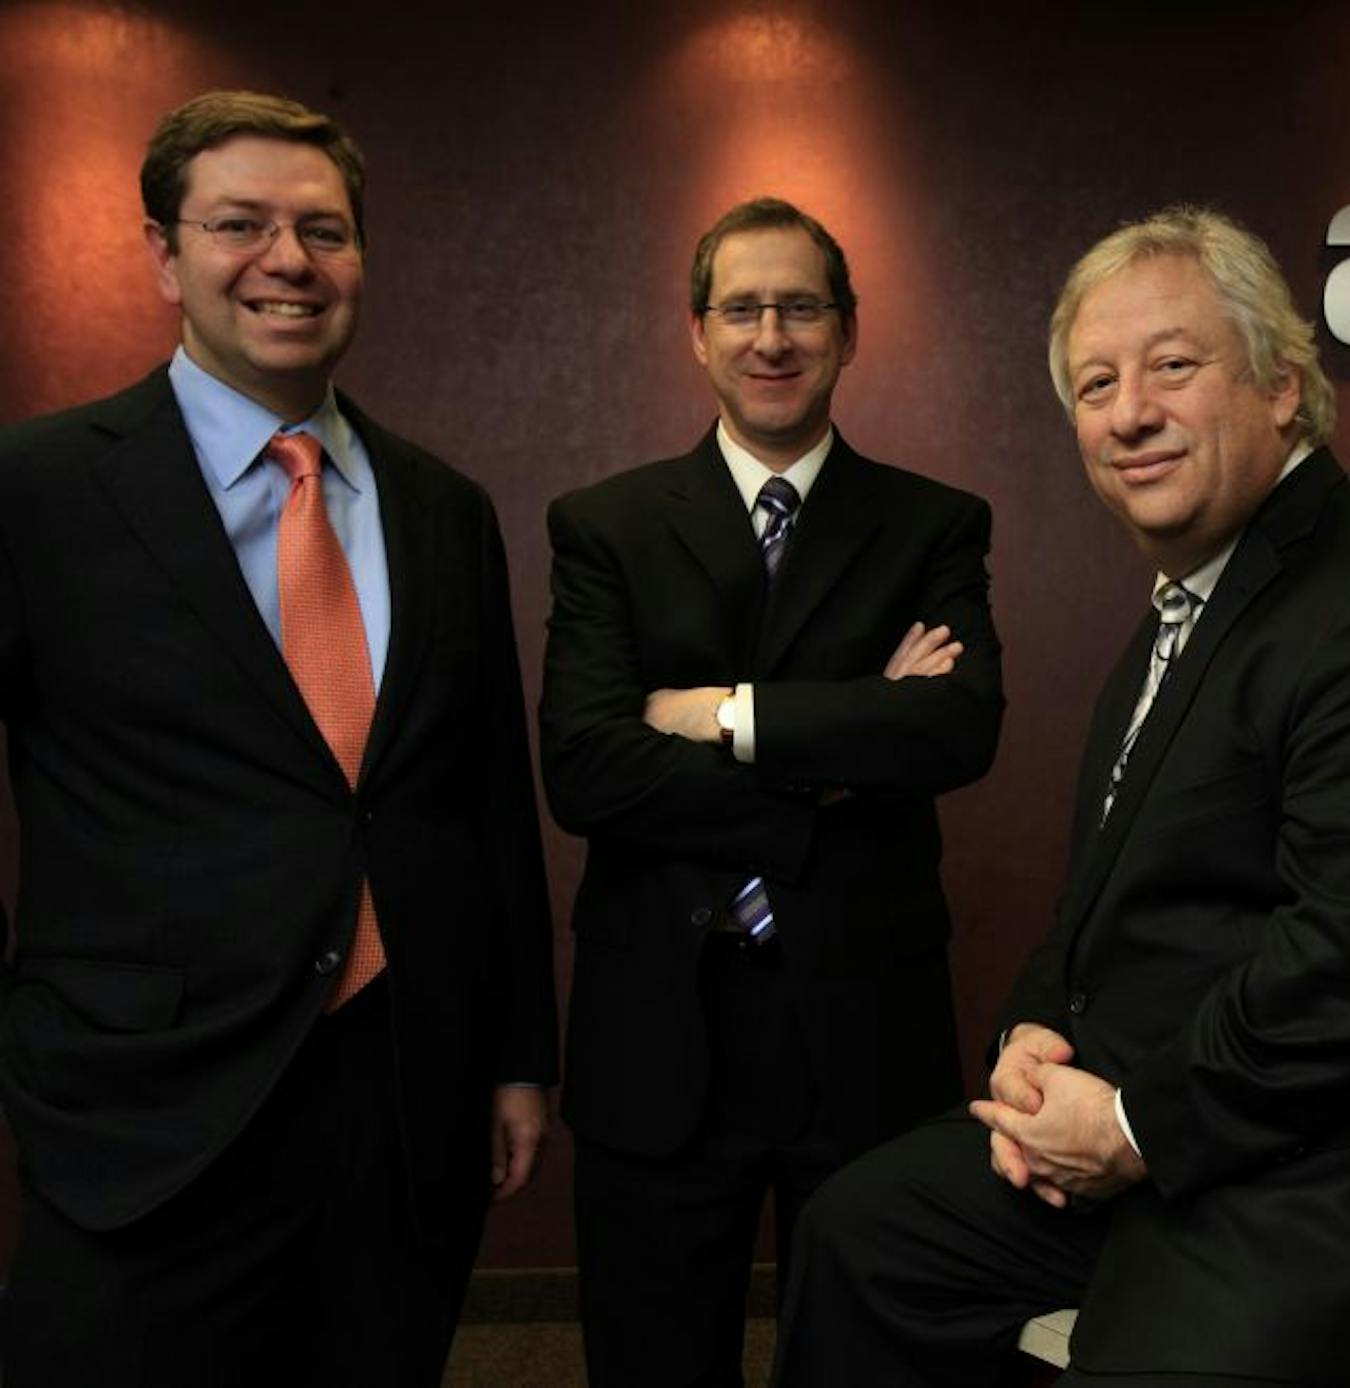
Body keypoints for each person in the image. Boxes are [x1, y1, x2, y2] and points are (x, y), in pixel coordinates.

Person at [773, 206, 1350, 1388]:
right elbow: (1107, 902)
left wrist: (1136, 1124)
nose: (1129, 411)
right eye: (1096, 384)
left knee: (1144, 1359)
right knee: (861, 1235)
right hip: (1198, 1130)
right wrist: (1035, 1035)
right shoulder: (1190, 608)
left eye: (1171, 366)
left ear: (1282, 388)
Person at [0, 90, 557, 1386]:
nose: (288, 261)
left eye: (324, 229)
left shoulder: (442, 509)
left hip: (406, 1096)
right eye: (239, 224)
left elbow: (486, 802)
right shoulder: (40, 491)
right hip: (144, 1106)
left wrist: (519, 1055)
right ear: (162, 255)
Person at [540, 196, 1003, 1388]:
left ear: (848, 331)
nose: (772, 335)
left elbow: (955, 727)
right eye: (742, 308)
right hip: (659, 1022)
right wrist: (844, 750)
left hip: (863, 1019)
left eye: (801, 307)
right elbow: (586, 767)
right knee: (652, 1359)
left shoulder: (933, 524)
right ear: (698, 333)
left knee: (865, 1359)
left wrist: (717, 714)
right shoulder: (607, 527)